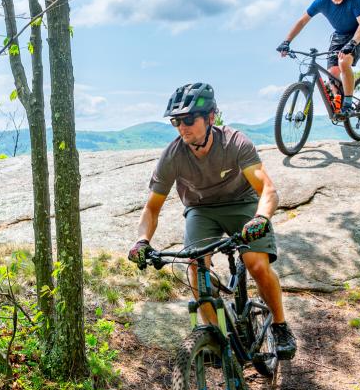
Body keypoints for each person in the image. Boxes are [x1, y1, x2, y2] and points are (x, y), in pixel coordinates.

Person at [127, 82, 297, 360]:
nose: (182, 127)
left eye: (188, 120)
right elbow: (152, 208)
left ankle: (280, 326)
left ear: (211, 117)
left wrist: (261, 218)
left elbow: (268, 190)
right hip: (201, 210)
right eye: (176, 121)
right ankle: (215, 338)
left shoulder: (235, 143)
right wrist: (142, 240)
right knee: (196, 268)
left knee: (255, 264)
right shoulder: (172, 155)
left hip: (242, 204)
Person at [276, 0, 360, 117]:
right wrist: (286, 41)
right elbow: (302, 21)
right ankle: (339, 100)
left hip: (359, 33)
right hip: (339, 35)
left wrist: (352, 43)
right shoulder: (322, 1)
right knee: (332, 72)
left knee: (343, 62)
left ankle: (348, 104)